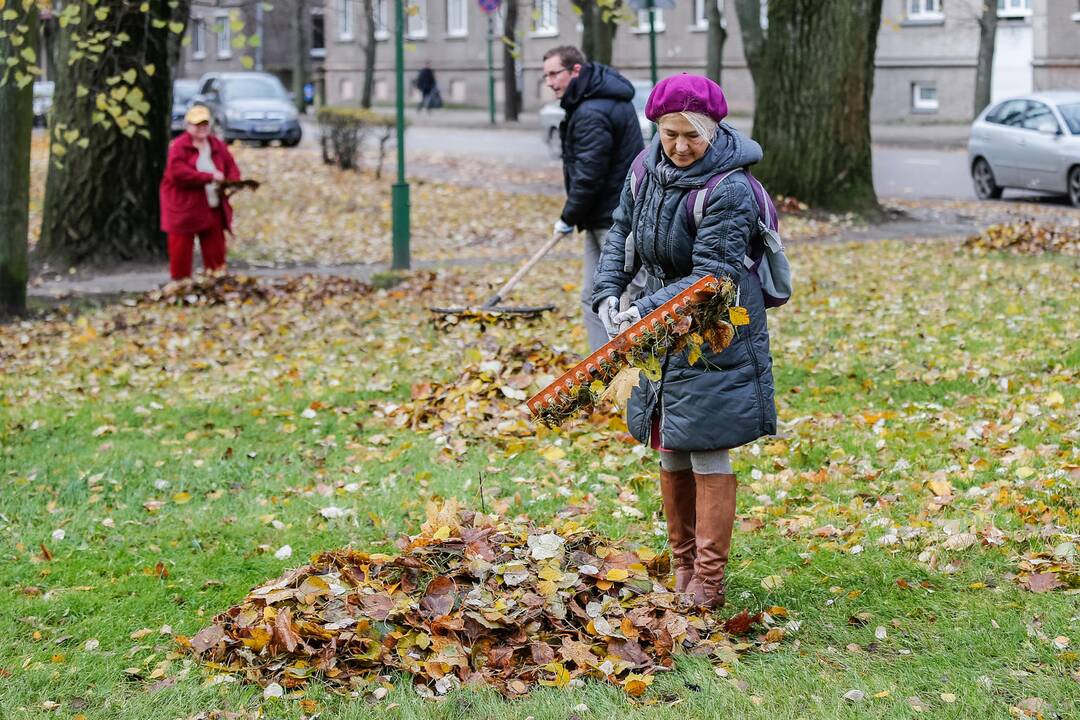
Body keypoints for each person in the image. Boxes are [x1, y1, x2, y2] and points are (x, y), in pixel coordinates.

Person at [591, 74, 777, 609]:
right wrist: (606, 294)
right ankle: (684, 566)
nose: (679, 146)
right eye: (669, 133)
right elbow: (621, 232)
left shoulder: (730, 188)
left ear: (714, 130)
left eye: (692, 135)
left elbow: (711, 278)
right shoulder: (645, 169)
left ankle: (710, 582)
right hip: (658, 328)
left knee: (707, 444)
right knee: (668, 442)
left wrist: (640, 311)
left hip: (715, 331)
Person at [542, 45, 645, 351]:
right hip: (600, 216)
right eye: (545, 75)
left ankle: (630, 368)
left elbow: (589, 174)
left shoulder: (592, 111)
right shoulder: (594, 101)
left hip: (615, 219)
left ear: (575, 71)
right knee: (593, 294)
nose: (549, 82)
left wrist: (567, 217)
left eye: (553, 73)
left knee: (623, 297)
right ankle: (601, 365)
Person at [159, 105, 242, 280]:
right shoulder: (179, 147)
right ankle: (180, 287)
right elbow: (177, 173)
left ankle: (216, 284)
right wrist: (209, 177)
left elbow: (231, 167)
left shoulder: (216, 145)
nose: (202, 127)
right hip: (184, 210)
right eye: (197, 124)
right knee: (180, 253)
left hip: (212, 208)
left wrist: (233, 183)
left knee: (216, 254)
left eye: (205, 123)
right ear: (188, 126)